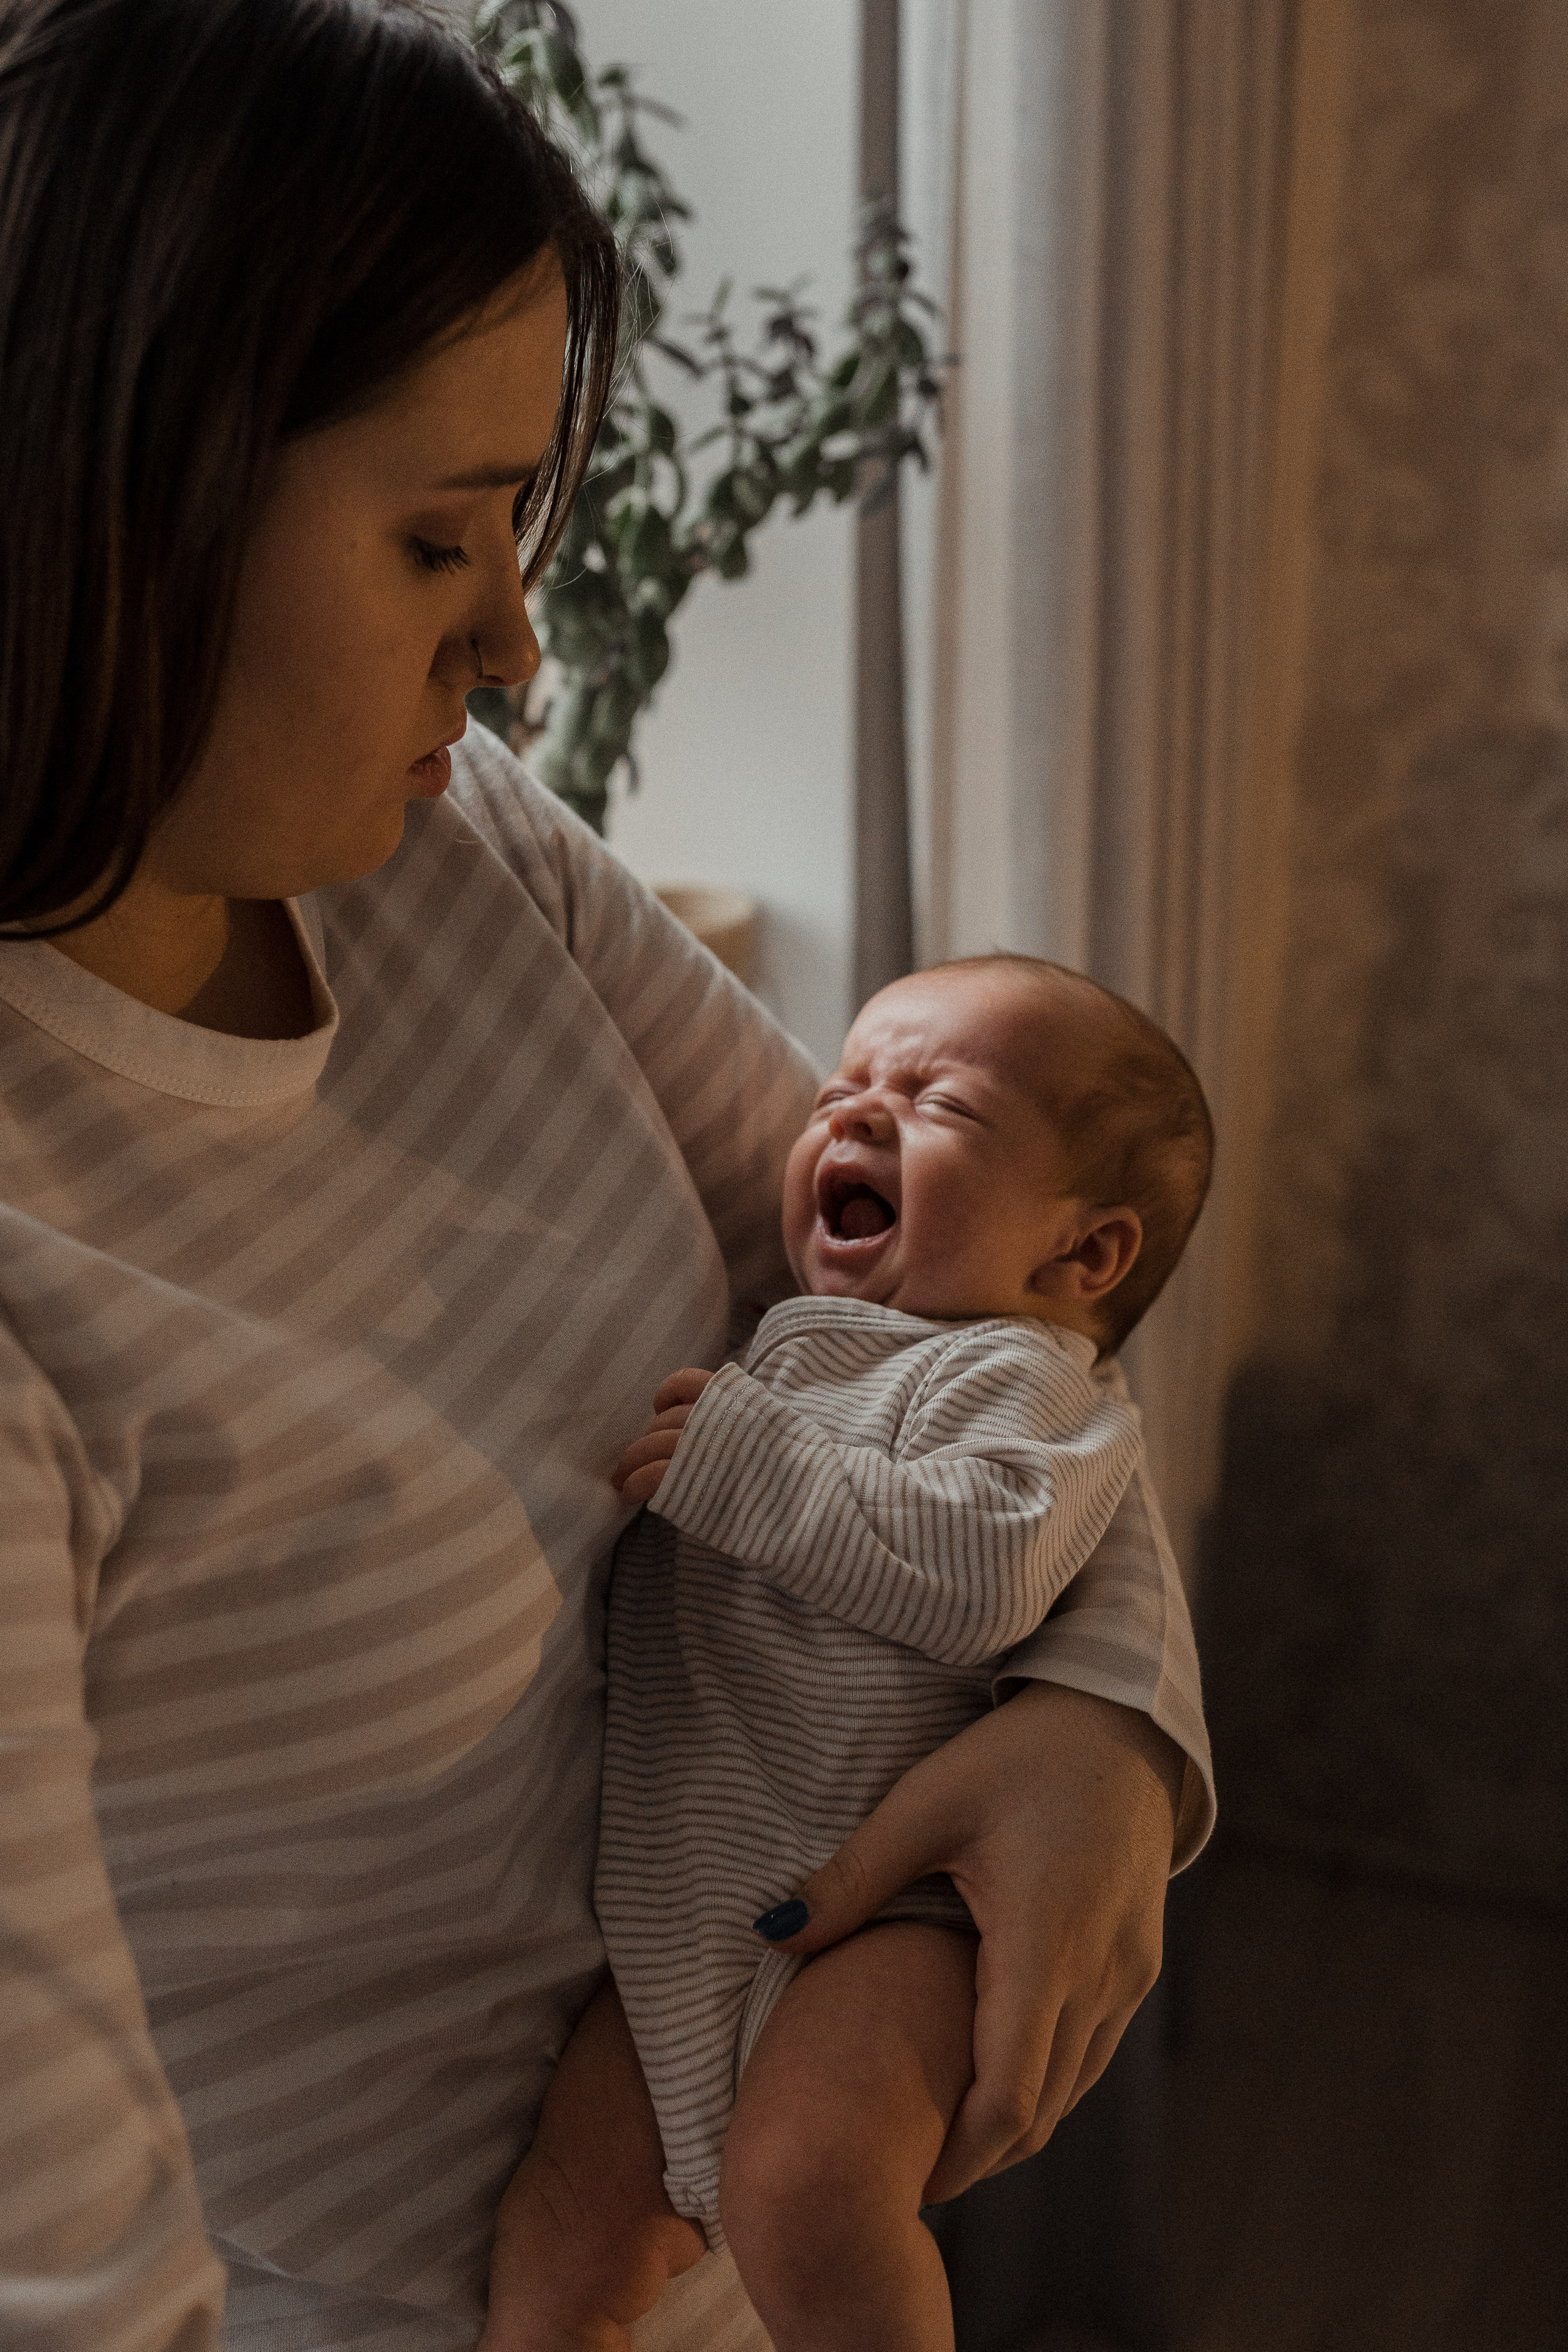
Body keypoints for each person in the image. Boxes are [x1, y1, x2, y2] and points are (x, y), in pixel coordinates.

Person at [0, 5, 1215, 2350]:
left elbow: (978, 1322)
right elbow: (69, 2276)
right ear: (105, 488)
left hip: (746, 2211)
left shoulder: (455, 856)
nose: (522, 646)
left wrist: (1111, 1726)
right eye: (437, 535)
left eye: (521, 523)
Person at [491, 959, 1213, 2352]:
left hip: (904, 1910)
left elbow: (984, 1572)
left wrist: (748, 1462)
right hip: (691, 1892)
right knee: (566, 2212)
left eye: (933, 1100)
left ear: (1084, 1257)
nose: (854, 1116)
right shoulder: (806, 1342)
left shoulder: (1017, 1378)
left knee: (807, 2188)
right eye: (839, 1090)